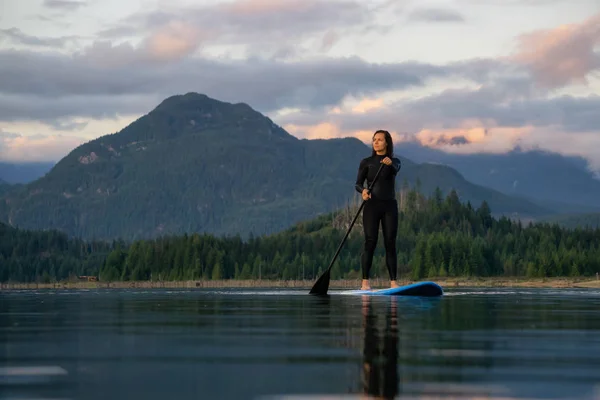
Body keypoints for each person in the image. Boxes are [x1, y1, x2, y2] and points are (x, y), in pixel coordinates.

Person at [354, 130, 401, 290]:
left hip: (389, 206)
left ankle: (393, 283)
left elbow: (396, 168)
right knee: (370, 242)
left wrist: (390, 163)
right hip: (372, 206)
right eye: (374, 139)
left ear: (387, 142)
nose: (376, 142)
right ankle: (365, 283)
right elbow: (358, 184)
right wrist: (364, 191)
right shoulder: (366, 162)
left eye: (380, 140)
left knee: (390, 243)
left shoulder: (394, 161)